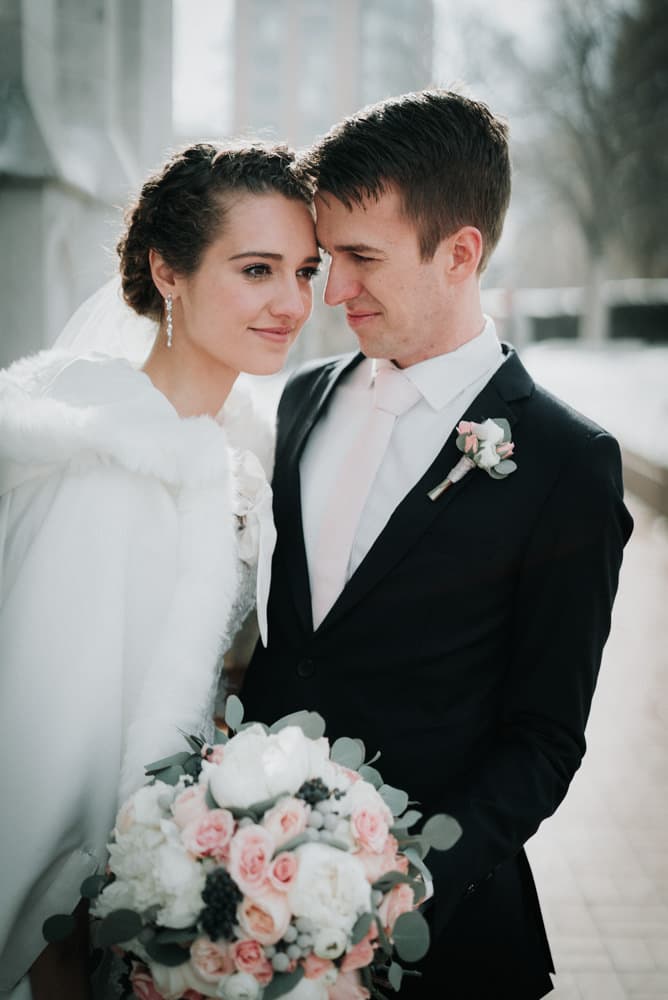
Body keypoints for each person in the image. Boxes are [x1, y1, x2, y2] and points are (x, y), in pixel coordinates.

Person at [240, 90, 634, 998]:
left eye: (361, 258)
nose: (331, 291)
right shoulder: (303, 399)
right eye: (325, 256)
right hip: (253, 911)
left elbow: (543, 741)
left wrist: (404, 884)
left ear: (461, 253)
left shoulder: (566, 463)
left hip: (443, 940)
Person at [0, 141, 319, 1000]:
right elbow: (37, 758)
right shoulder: (107, 464)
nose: (292, 302)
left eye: (305, 270)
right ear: (167, 271)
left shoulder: (240, 451)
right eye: (257, 269)